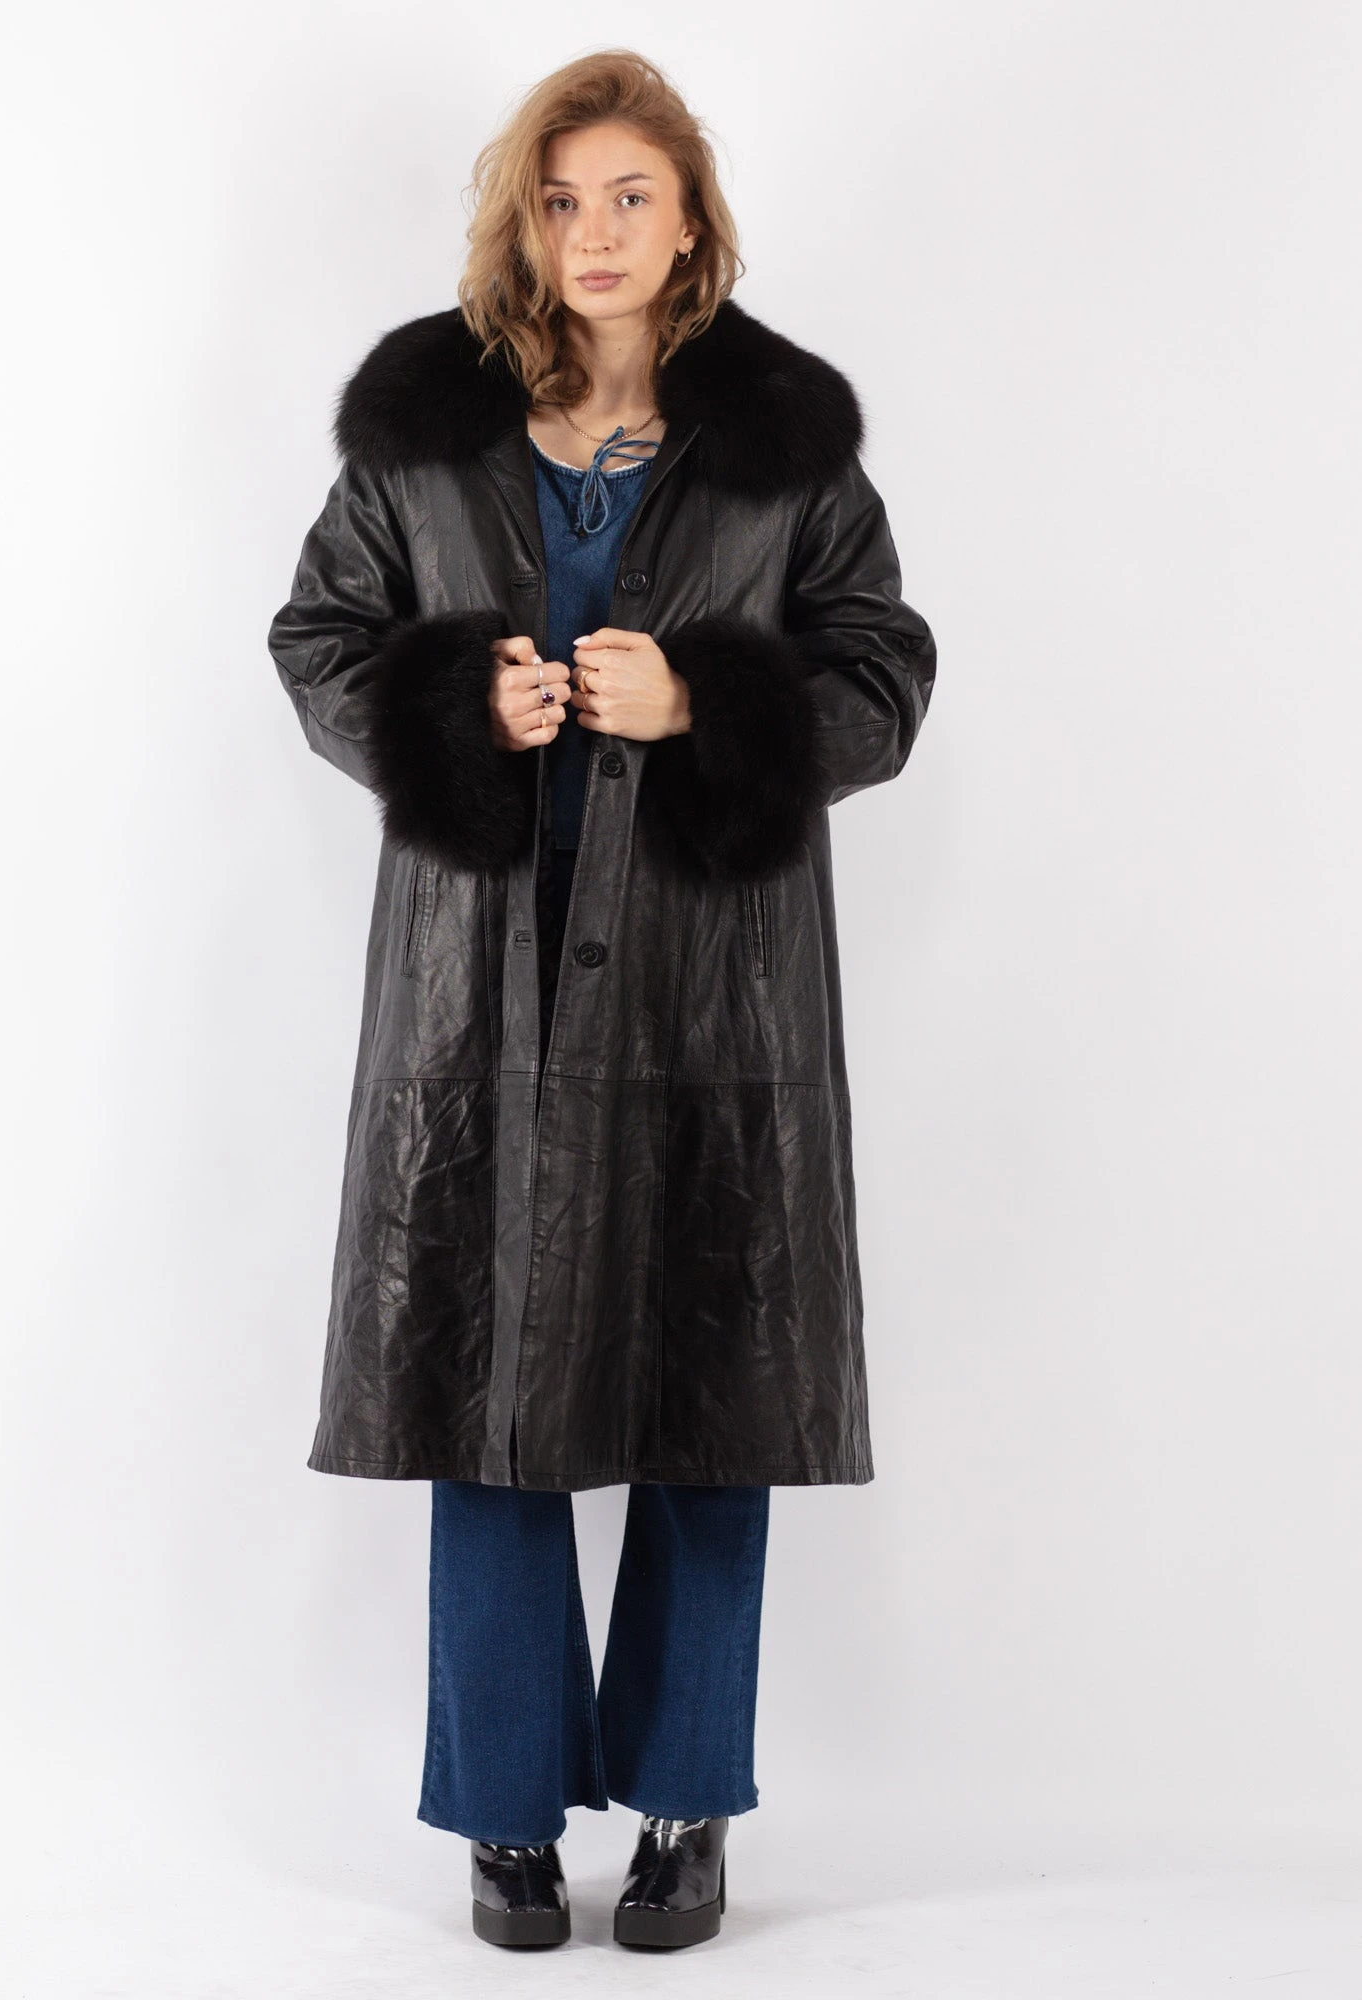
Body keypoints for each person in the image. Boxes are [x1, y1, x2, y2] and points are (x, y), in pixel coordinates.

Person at [266, 48, 936, 1953]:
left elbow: (883, 675)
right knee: (486, 1396)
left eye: (632, 195)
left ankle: (685, 1808)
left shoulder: (787, 449)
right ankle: (501, 1820)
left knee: (714, 1396)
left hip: (714, 998)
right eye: (561, 200)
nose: (596, 233)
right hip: (477, 987)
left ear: (693, 219)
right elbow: (319, 639)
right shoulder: (424, 438)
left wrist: (707, 697)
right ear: (522, 223)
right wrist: (450, 704)